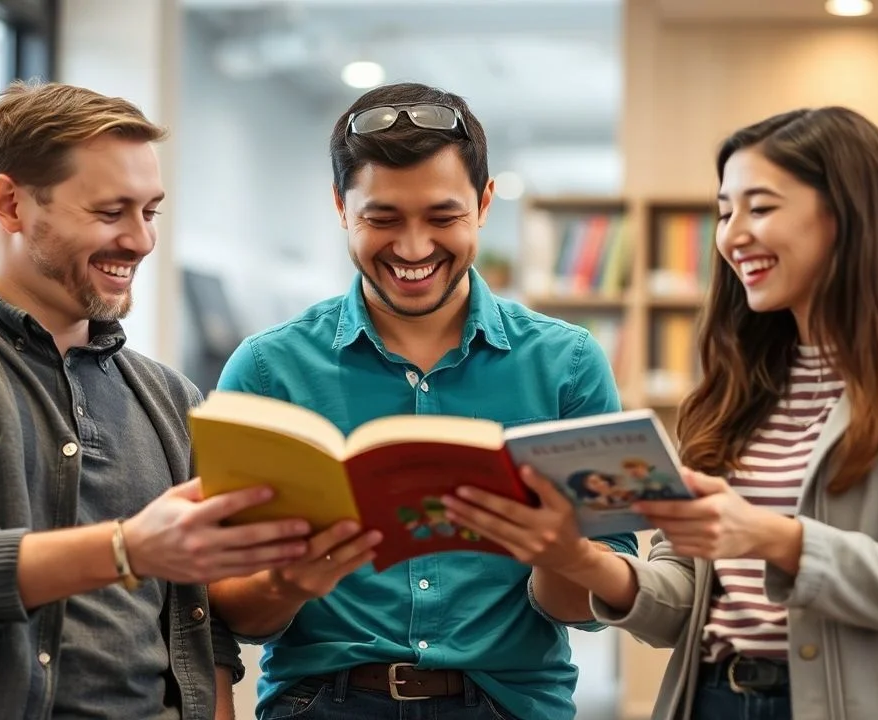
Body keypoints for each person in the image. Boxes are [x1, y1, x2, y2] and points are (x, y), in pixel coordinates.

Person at [491, 106, 878, 720]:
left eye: (760, 208)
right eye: (723, 211)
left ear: (846, 214)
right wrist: (576, 558)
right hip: (713, 698)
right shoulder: (744, 377)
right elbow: (689, 600)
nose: (733, 234)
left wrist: (773, 537)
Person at [0, 80, 315, 719]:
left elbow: (198, 627)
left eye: (149, 212)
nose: (141, 240)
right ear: (10, 203)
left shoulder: (168, 398)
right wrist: (123, 549)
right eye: (109, 212)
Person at [206, 82, 639, 720]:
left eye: (443, 218)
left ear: (484, 203)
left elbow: (599, 602)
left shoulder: (567, 364)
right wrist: (289, 581)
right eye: (382, 219)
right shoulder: (268, 369)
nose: (413, 249)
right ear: (339, 206)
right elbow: (231, 611)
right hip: (323, 702)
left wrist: (560, 555)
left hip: (508, 703)